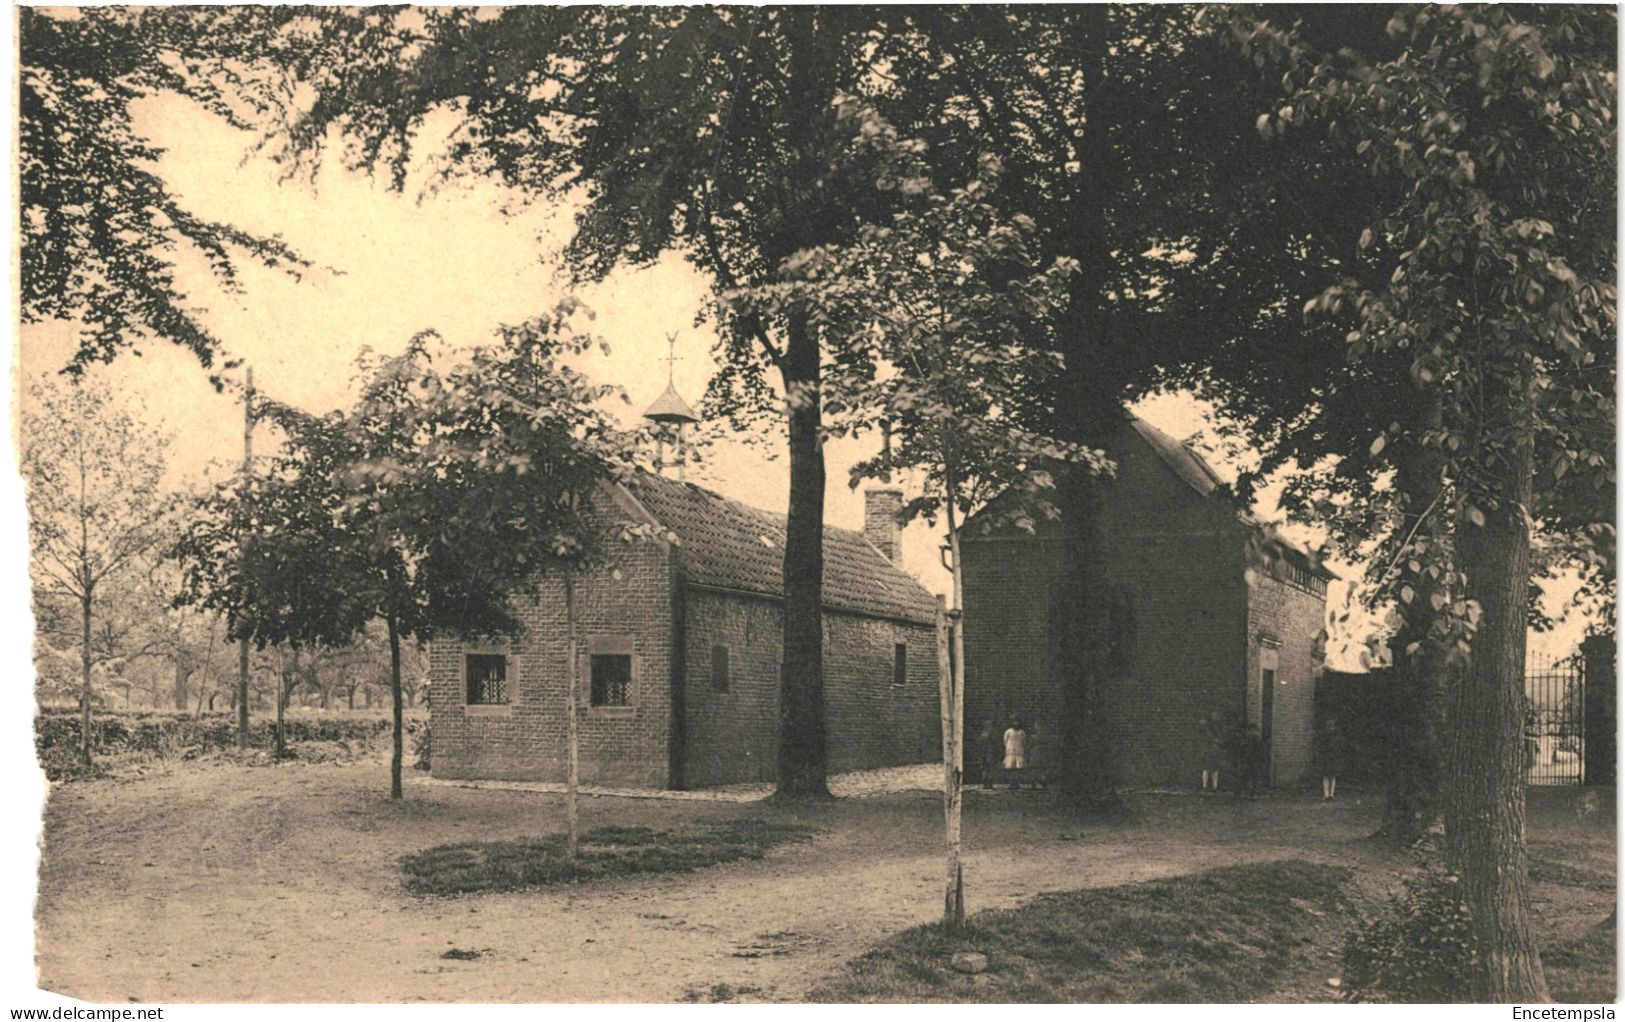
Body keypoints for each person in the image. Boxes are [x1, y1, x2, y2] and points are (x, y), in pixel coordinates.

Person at [1314, 714, 1348, 801]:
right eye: (1329, 723)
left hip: (1334, 757)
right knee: (1326, 776)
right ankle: (1326, 795)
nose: (1330, 724)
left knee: (1332, 776)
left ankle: (1331, 794)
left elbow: (1341, 745)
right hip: (1326, 757)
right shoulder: (1324, 735)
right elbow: (1320, 746)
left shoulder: (1337, 734)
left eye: (1332, 723)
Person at [1201, 710, 1227, 792]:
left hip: (1214, 750)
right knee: (1208, 768)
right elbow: (1211, 738)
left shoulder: (1218, 727)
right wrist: (1217, 741)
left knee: (1214, 769)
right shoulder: (1210, 728)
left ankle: (1213, 786)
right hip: (1210, 750)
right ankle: (1206, 786)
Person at [1002, 719, 1027, 786]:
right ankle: (1011, 782)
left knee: (1018, 768)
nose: (1016, 723)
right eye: (1014, 722)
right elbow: (1005, 741)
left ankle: (1017, 782)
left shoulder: (1022, 732)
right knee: (1011, 767)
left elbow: (1024, 741)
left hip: (1019, 751)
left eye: (1017, 722)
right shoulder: (1008, 731)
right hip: (1010, 751)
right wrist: (1008, 748)